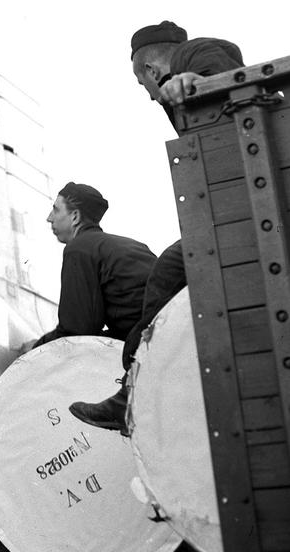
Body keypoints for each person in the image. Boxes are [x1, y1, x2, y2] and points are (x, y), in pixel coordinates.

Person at [69, 21, 245, 432]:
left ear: (149, 69)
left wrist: (191, 79)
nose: (148, 95)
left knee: (170, 269)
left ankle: (135, 391)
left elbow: (221, 62)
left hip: (241, 211)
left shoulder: (192, 56)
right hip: (232, 208)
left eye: (141, 83)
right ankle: (136, 388)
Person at [33, 182, 156, 348]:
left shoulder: (79, 248)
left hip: (146, 342)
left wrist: (35, 348)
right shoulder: (131, 245)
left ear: (75, 217)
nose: (49, 217)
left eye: (56, 209)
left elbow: (76, 331)